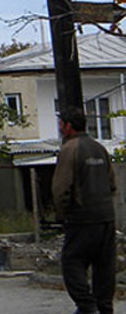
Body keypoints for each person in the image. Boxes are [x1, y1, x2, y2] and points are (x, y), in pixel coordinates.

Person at [51, 107, 117, 314]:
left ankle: (87, 307)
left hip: (82, 218)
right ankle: (104, 307)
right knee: (104, 267)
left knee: (72, 263)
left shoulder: (70, 149)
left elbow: (61, 189)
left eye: (61, 123)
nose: (60, 127)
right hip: (106, 217)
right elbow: (112, 184)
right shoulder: (99, 148)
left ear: (68, 126)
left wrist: (63, 216)